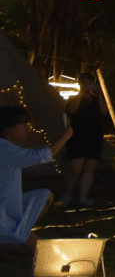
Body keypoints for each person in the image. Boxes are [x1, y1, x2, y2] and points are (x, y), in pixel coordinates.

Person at [0, 106, 72, 251]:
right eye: (23, 124)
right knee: (30, 239)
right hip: (2, 211)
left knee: (44, 196)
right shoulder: (5, 148)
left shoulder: (8, 147)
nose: (28, 128)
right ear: (8, 128)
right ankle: (18, 238)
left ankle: (18, 234)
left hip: (7, 205)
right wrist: (65, 136)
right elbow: (41, 156)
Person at [59, 72, 108, 209]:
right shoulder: (73, 99)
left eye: (89, 82)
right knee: (75, 168)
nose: (87, 85)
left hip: (94, 136)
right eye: (84, 82)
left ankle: (83, 197)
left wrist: (99, 94)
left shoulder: (96, 99)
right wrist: (82, 94)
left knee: (90, 168)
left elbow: (104, 112)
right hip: (77, 137)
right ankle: (67, 195)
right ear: (79, 83)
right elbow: (71, 111)